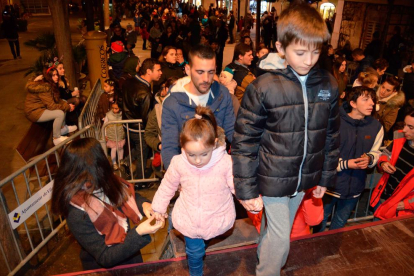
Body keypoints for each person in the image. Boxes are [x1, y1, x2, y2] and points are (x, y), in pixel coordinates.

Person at [231, 3, 339, 275]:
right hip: (272, 178)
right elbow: (244, 142)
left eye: (316, 52)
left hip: (303, 180)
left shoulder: (328, 84)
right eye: (300, 52)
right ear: (281, 48)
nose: (309, 60)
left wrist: (324, 178)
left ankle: (261, 261)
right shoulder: (263, 87)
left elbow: (331, 135)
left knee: (274, 231)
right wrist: (246, 190)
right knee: (280, 238)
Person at [51, 138, 163, 270]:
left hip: (129, 257)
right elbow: (105, 256)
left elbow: (127, 197)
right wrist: (139, 232)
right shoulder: (76, 212)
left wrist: (144, 205)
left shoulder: (102, 181)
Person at [152, 106, 236, 276]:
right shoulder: (178, 163)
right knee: (195, 252)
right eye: (191, 155)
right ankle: (195, 273)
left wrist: (250, 199)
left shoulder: (226, 162)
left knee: (205, 240)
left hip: (216, 216)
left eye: (204, 154)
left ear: (213, 144)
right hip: (189, 218)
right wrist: (158, 208)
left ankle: (202, 245)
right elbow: (167, 186)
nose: (197, 160)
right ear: (183, 147)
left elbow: (237, 185)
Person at [315, 86, 383, 232]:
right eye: (365, 99)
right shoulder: (335, 122)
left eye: (372, 100)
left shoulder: (376, 127)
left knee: (339, 224)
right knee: (319, 222)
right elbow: (322, 152)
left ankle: (331, 251)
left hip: (355, 186)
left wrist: (370, 159)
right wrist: (345, 164)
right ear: (352, 103)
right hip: (328, 186)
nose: (372, 103)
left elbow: (376, 152)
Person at [161, 44, 235, 169]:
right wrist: (176, 179)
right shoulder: (172, 103)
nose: (206, 79)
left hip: (219, 172)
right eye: (200, 72)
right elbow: (169, 146)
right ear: (188, 69)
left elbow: (234, 133)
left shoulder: (223, 95)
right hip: (188, 174)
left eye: (210, 72)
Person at [121, 58, 162, 180]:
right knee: (142, 154)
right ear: (149, 71)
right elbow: (147, 118)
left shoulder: (130, 81)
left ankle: (125, 163)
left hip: (128, 125)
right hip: (138, 128)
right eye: (158, 70)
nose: (161, 73)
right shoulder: (145, 93)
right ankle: (140, 180)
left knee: (139, 150)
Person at [370, 108, 414, 220]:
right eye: (404, 125)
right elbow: (385, 154)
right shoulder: (399, 139)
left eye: (410, 127)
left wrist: (407, 204)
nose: (404, 130)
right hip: (383, 198)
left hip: (402, 210)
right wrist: (384, 163)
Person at [24, 67, 77, 145]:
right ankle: (56, 138)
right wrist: (68, 107)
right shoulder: (44, 88)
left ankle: (62, 129)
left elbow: (57, 99)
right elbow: (52, 106)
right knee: (59, 113)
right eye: (53, 75)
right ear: (49, 77)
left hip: (40, 108)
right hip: (34, 112)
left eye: (56, 74)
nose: (56, 77)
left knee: (64, 102)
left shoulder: (50, 85)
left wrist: (66, 104)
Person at [145, 77, 178, 177]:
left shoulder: (190, 108)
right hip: (167, 163)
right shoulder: (157, 110)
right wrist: (159, 145)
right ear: (166, 89)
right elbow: (149, 134)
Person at [375, 76, 405, 140]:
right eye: (383, 87)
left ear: (394, 91)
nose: (383, 91)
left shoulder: (393, 106)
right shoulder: (372, 94)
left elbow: (386, 127)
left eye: (388, 90)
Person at [104, 102, 125, 171]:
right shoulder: (108, 115)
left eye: (116, 108)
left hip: (119, 134)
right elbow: (105, 125)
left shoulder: (122, 114)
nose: (114, 110)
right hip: (111, 134)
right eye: (112, 108)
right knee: (114, 148)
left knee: (120, 147)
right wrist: (105, 134)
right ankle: (114, 162)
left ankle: (121, 160)